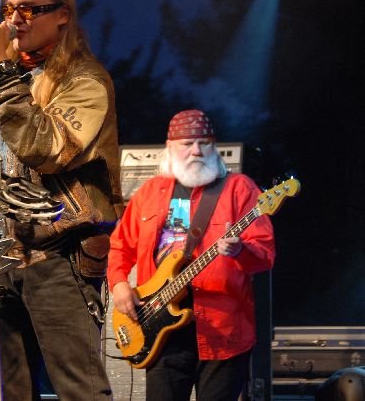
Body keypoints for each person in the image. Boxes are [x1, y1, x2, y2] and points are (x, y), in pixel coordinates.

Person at [0, 0, 124, 399]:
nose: (15, 19)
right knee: (4, 390)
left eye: (30, 9)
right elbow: (1, 174)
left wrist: (2, 70)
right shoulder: (10, 81)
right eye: (8, 9)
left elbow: (46, 151)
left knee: (79, 387)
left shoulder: (85, 81)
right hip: (5, 254)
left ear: (63, 14)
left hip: (60, 251)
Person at [107, 109, 276, 401]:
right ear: (170, 147)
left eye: (204, 143)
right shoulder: (150, 192)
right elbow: (120, 245)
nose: (196, 150)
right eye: (187, 143)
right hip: (159, 327)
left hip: (222, 328)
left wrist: (240, 249)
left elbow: (265, 253)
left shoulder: (239, 189)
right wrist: (119, 284)